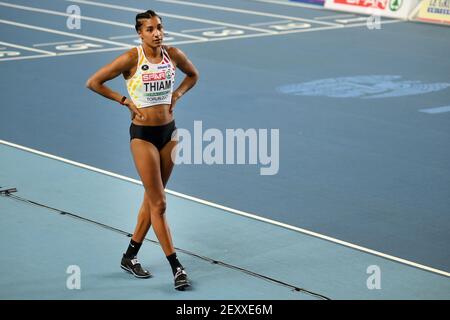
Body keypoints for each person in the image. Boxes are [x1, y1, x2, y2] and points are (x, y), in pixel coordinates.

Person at [86, 9, 199, 290]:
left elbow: (193, 75)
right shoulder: (131, 58)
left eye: (160, 27)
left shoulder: (172, 54)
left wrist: (178, 93)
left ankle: (130, 256)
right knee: (159, 203)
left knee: (152, 200)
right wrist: (124, 100)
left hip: (169, 134)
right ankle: (177, 267)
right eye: (150, 29)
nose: (157, 33)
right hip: (143, 136)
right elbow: (94, 82)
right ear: (139, 33)